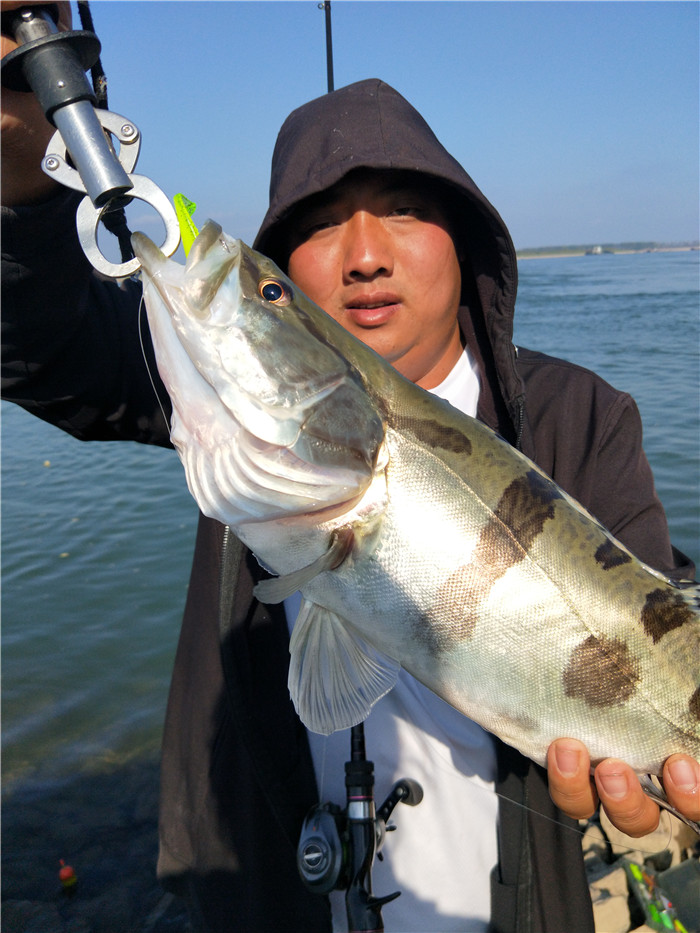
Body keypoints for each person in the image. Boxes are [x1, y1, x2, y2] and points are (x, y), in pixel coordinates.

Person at [2, 5, 698, 931]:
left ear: (467, 240)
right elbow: (44, 342)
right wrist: (22, 145)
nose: (365, 254)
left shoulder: (583, 413)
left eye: (405, 209)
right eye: (316, 232)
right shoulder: (229, 412)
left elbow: (660, 590)